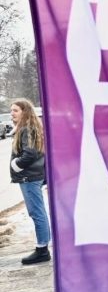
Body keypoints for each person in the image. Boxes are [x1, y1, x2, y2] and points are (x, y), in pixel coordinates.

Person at [10, 98, 51, 265]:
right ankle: (43, 246)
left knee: (37, 212)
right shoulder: (29, 127)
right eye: (11, 110)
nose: (12, 113)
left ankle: (42, 250)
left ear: (25, 112)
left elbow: (30, 154)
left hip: (29, 177)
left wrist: (16, 165)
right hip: (32, 176)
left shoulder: (27, 129)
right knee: (38, 212)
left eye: (15, 110)